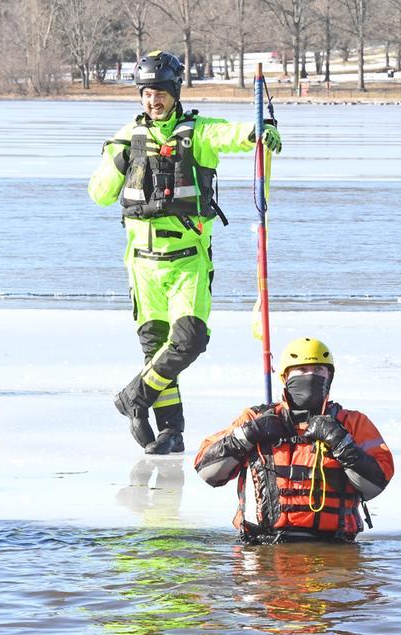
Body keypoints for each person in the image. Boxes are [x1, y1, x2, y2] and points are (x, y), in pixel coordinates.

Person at [88, 50, 283, 455]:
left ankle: (133, 396)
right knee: (155, 348)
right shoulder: (126, 137)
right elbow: (99, 194)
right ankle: (171, 431)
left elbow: (233, 134)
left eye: (160, 92)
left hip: (188, 261)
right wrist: (120, 159)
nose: (153, 100)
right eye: (146, 93)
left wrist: (260, 131)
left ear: (175, 93)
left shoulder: (200, 132)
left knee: (189, 338)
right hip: (142, 264)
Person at [195, 337, 394, 544]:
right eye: (301, 370)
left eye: (318, 371)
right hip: (261, 548)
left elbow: (376, 484)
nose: (310, 376)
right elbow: (206, 470)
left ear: (330, 376)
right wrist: (248, 435)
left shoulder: (352, 423)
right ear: (285, 376)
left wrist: (341, 442)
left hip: (333, 547)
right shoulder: (255, 418)